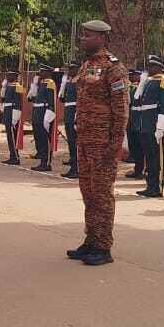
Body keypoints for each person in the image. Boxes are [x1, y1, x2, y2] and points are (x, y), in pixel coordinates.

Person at [65, 20, 128, 266]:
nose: (82, 39)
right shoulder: (87, 66)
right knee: (88, 192)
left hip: (103, 143)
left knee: (102, 194)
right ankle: (91, 240)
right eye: (82, 35)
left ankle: (104, 246)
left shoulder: (114, 68)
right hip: (85, 140)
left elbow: (121, 109)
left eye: (87, 35)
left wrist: (116, 143)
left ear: (101, 38)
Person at [130, 56, 164, 197]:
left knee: (156, 156)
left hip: (154, 122)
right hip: (144, 122)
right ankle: (150, 185)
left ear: (160, 67)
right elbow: (136, 100)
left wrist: (160, 126)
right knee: (148, 156)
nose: (150, 68)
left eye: (153, 66)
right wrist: (141, 84)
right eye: (149, 66)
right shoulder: (147, 82)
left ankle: (157, 187)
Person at [30, 65, 57, 172]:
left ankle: (46, 162)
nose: (39, 73)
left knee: (45, 138)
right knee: (39, 138)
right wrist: (34, 84)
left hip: (44, 112)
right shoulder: (42, 83)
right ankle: (41, 160)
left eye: (41, 71)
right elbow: (33, 98)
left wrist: (48, 116)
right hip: (38, 111)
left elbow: (51, 101)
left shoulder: (50, 83)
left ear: (47, 72)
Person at [59, 61, 80, 179]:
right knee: (71, 142)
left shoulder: (80, 81)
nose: (70, 71)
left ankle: (76, 168)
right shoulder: (69, 81)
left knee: (75, 142)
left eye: (72, 69)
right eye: (69, 69)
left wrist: (78, 114)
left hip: (74, 112)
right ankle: (72, 166)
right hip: (68, 113)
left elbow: (81, 99)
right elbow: (62, 99)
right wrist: (62, 86)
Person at [1, 70, 24, 165]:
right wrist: (3, 87)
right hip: (7, 112)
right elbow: (3, 98)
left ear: (15, 76)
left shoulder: (18, 87)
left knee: (13, 136)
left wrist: (15, 117)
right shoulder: (9, 86)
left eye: (10, 75)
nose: (8, 76)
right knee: (9, 137)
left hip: (12, 113)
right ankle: (12, 155)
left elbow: (18, 103)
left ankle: (15, 157)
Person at [124, 69, 143, 173]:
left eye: (133, 75)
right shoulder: (131, 87)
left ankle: (141, 168)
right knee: (133, 142)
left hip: (139, 117)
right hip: (132, 117)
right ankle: (137, 168)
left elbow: (131, 99)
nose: (131, 77)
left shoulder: (140, 87)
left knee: (140, 145)